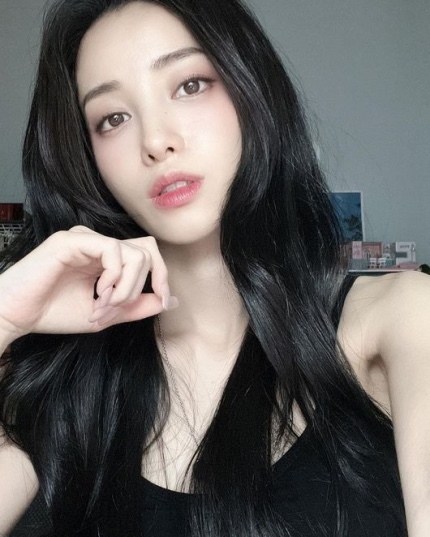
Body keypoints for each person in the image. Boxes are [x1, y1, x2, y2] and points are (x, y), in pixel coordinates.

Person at [0, 0, 429, 535]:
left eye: (190, 85)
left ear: (252, 89)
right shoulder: (63, 381)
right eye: (113, 118)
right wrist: (5, 317)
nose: (156, 142)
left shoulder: (400, 318)